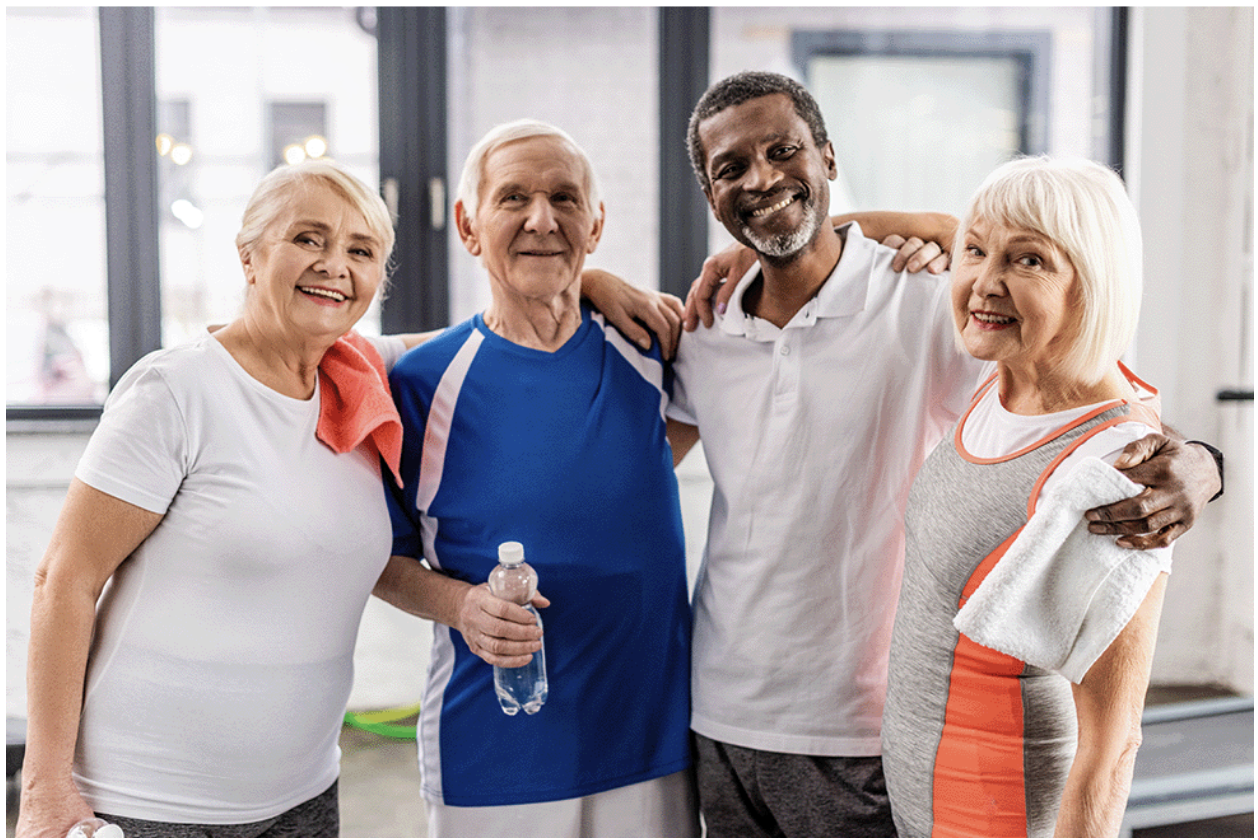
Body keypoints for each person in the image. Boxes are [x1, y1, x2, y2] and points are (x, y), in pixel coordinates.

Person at [16, 158, 681, 839]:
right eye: (308, 239)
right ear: (249, 256)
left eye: (360, 251)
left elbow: (503, 329)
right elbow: (63, 579)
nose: (335, 265)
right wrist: (43, 788)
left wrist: (583, 280)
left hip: (303, 796)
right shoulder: (176, 391)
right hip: (148, 801)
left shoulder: (361, 375)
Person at [670, 71, 1222, 837]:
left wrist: (1200, 461)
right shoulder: (701, 326)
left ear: (828, 156)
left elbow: (1079, 374)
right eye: (732, 168)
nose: (761, 178)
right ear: (710, 194)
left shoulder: (925, 298)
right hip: (720, 715)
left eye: (784, 150)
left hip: (864, 728)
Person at [371, 119, 699, 838]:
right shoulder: (420, 385)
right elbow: (379, 561)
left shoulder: (658, 353)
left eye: (565, 199)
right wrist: (460, 605)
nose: (542, 219)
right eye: (513, 197)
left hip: (651, 743)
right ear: (468, 224)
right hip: (495, 753)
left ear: (597, 221)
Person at [881, 156, 1174, 837]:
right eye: (976, 252)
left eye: (1029, 261)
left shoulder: (1111, 470)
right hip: (918, 802)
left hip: (999, 814)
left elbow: (1112, 746)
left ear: (1092, 283)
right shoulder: (1005, 377)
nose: (985, 282)